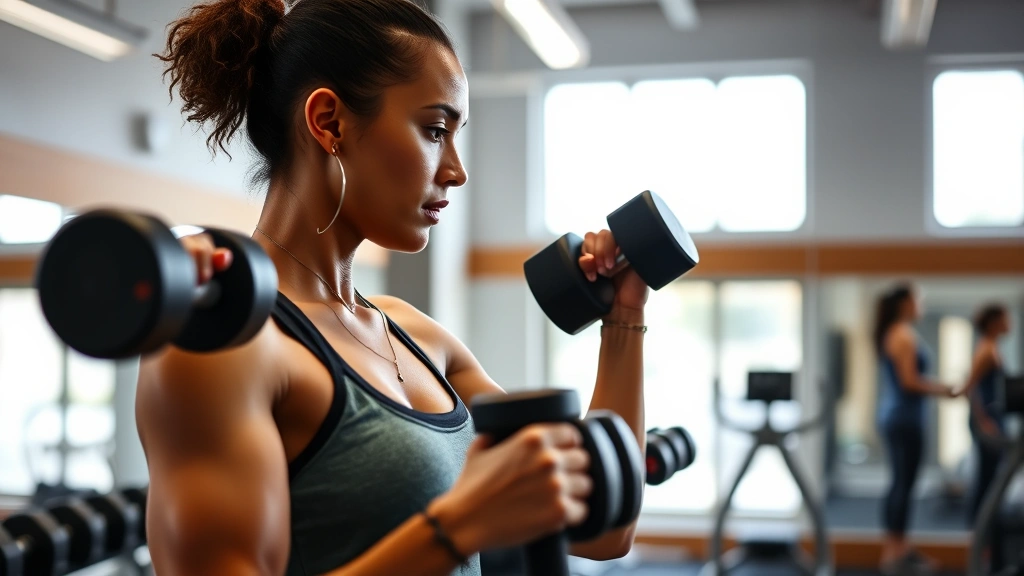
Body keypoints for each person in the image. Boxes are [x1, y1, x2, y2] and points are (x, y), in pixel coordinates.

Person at [137, 0, 650, 575]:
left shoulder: (415, 335)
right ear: (329, 121)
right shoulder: (222, 340)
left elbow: (604, 527)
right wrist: (461, 525)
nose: (456, 170)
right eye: (435, 130)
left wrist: (624, 317)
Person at [873, 283, 956, 576]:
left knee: (900, 483)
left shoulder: (896, 333)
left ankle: (897, 549)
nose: (921, 303)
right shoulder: (902, 335)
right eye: (917, 299)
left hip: (899, 417)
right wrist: (943, 389)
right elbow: (910, 381)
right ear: (905, 304)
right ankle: (895, 553)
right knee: (903, 484)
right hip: (904, 418)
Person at [956, 303, 1012, 572]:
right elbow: (971, 387)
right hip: (987, 421)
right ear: (993, 322)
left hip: (993, 418)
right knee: (987, 481)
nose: (1009, 322)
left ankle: (988, 542)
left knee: (993, 479)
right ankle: (980, 541)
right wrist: (984, 421)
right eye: (1005, 318)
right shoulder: (986, 349)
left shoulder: (991, 346)